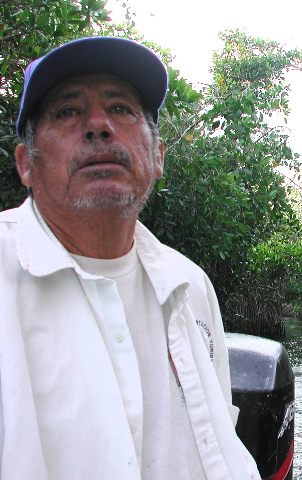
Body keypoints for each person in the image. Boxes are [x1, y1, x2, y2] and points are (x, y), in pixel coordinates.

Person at [0, 36, 261, 480]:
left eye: (121, 108)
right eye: (67, 111)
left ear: (157, 156)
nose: (98, 126)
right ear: (26, 164)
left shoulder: (190, 285)